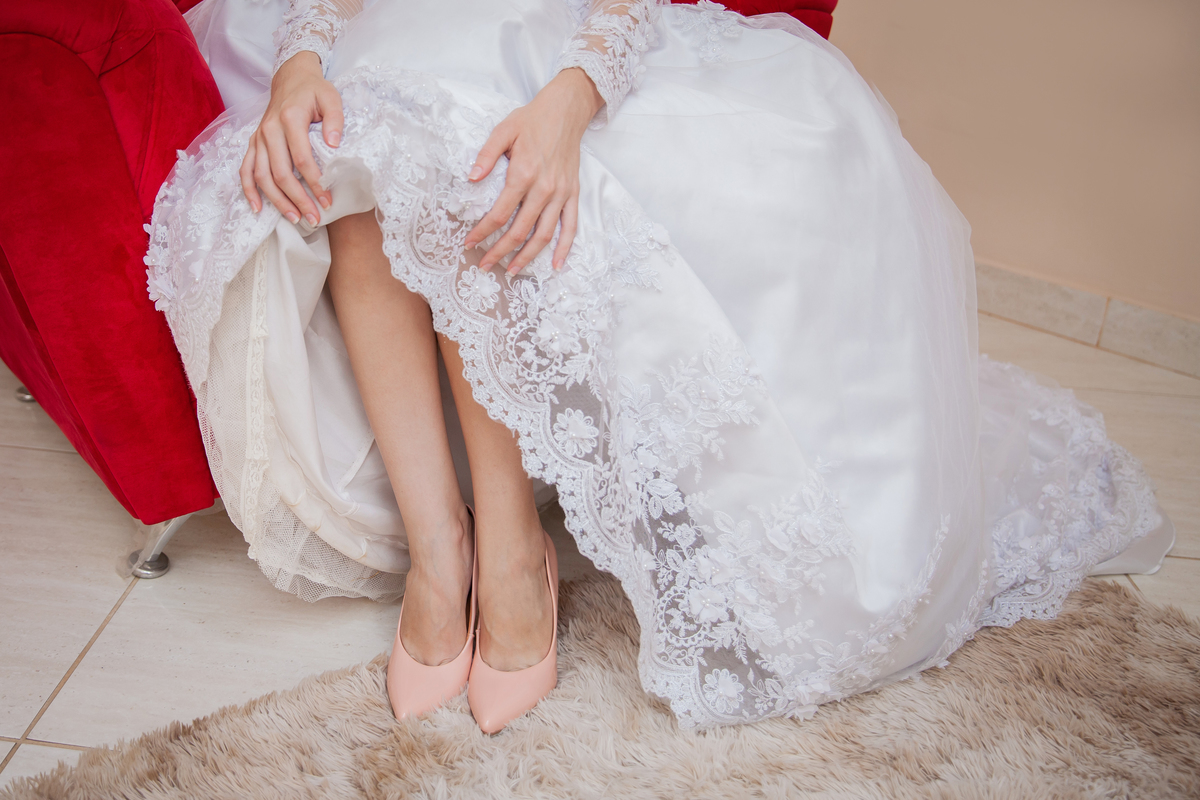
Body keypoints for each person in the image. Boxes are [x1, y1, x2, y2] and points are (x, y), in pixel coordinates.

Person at [148, 0, 1175, 732]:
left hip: (570, 40)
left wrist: (570, 100)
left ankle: (514, 556)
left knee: (474, 164)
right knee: (357, 147)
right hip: (387, 23)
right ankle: (441, 550)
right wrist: (301, 57)